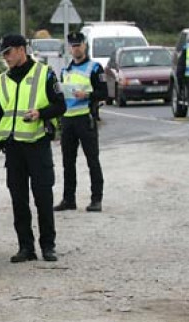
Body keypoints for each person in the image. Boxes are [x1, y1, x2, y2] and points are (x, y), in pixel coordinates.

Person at [0, 34, 67, 263]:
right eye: (3, 54)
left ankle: (48, 246)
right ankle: (25, 248)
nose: (5, 58)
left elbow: (61, 105)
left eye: (8, 53)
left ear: (21, 50)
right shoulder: (2, 80)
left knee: (43, 198)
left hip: (37, 145)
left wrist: (41, 113)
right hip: (13, 148)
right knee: (19, 200)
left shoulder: (44, 73)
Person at [54, 32, 106, 213]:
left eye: (78, 45)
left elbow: (104, 93)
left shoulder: (94, 68)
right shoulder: (65, 70)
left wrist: (88, 95)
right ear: (69, 48)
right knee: (68, 163)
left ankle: (96, 199)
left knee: (92, 160)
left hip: (86, 119)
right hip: (68, 120)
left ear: (85, 45)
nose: (76, 48)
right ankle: (69, 200)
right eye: (73, 46)